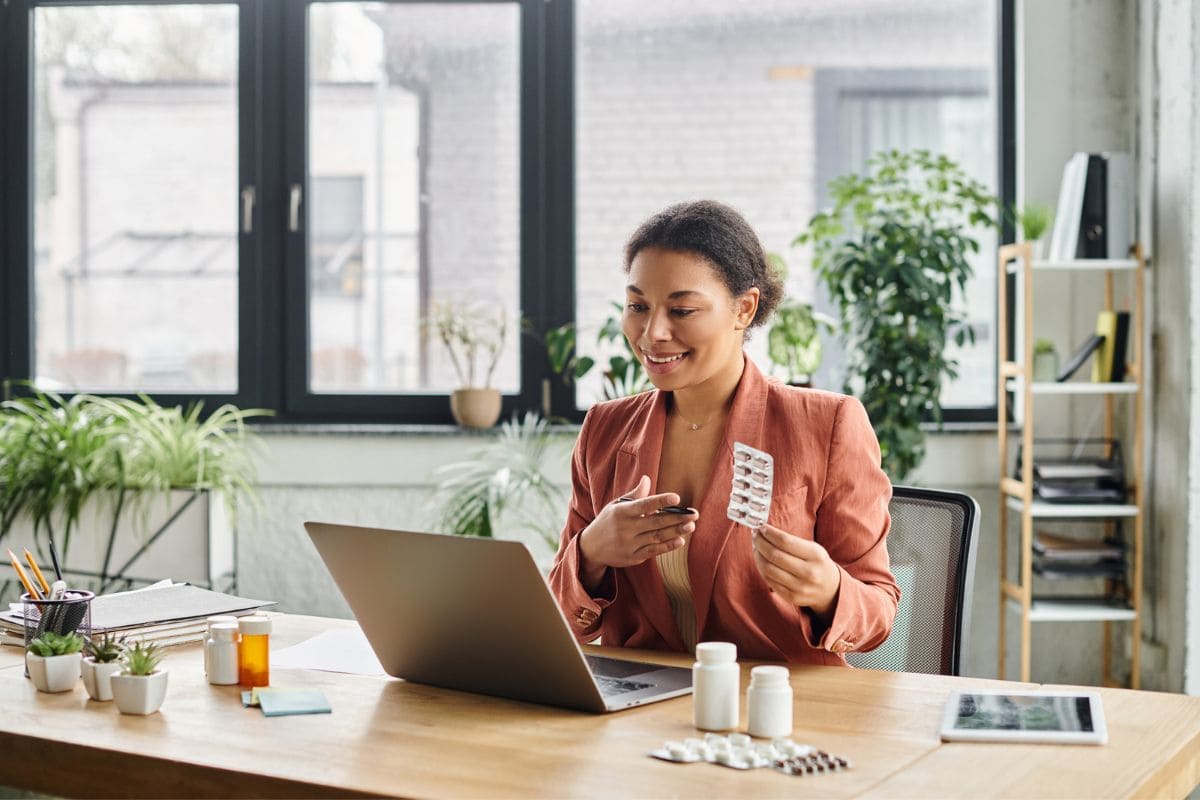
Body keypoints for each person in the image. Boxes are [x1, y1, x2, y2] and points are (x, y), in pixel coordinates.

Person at [548, 200, 899, 664]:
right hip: (640, 709)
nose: (652, 333)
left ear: (744, 309)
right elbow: (561, 618)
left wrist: (829, 590)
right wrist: (591, 553)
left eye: (683, 310)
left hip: (775, 705)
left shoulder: (826, 425)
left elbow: (878, 609)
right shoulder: (605, 430)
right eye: (638, 306)